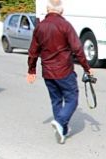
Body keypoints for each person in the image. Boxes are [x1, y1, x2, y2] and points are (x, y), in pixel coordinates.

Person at [27, 0, 92, 145]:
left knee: (56, 100)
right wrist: (87, 67)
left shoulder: (40, 27)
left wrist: (31, 70)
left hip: (48, 72)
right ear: (61, 11)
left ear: (47, 9)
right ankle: (60, 121)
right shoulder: (65, 26)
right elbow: (78, 49)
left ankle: (61, 131)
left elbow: (33, 52)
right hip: (64, 71)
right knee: (72, 98)